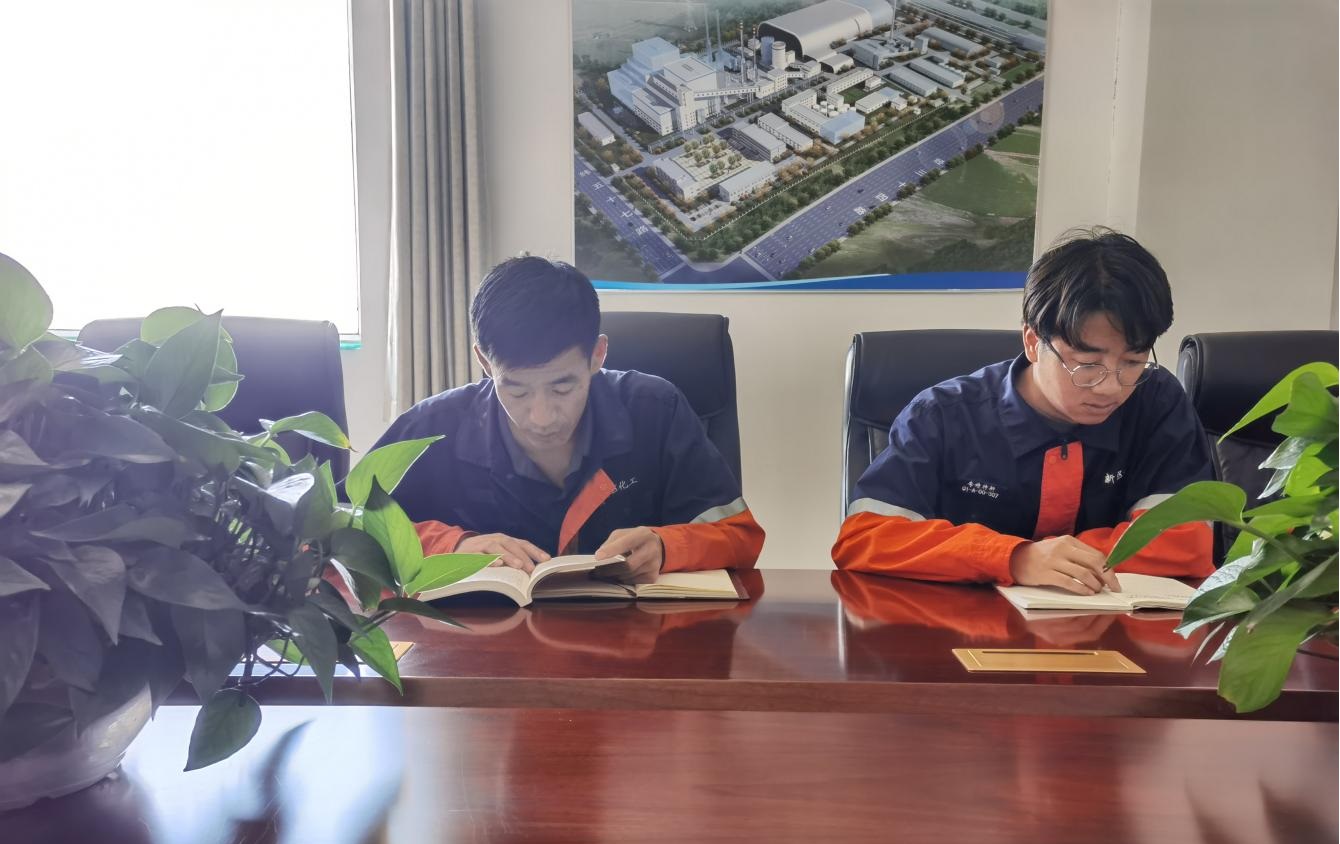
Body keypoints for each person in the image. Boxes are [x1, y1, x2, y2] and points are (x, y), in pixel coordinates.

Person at [832, 228, 1215, 592]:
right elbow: (866, 538)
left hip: (1108, 628)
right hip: (964, 630)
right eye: (1087, 364)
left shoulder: (1157, 401)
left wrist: (1061, 561)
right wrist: (1014, 558)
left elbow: (1186, 540)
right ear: (1033, 342)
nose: (1111, 387)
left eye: (1132, 362)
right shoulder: (942, 415)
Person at [372, 255, 764, 584]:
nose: (541, 418)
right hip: (485, 646)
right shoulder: (435, 426)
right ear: (485, 363)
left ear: (597, 355)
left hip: (631, 642)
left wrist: (666, 546)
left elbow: (740, 537)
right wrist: (452, 546)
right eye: (517, 391)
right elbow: (346, 527)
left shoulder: (655, 410)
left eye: (562, 388)